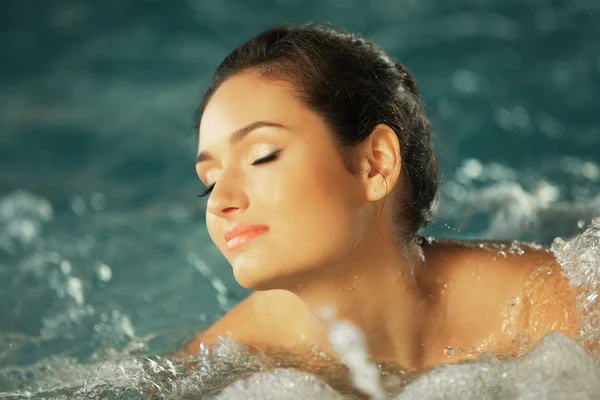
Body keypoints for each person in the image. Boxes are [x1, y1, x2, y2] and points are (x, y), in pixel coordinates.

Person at [179, 23, 579, 370]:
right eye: (209, 181)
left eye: (262, 156)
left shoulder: (549, 309)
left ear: (375, 164)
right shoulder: (230, 358)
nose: (218, 201)